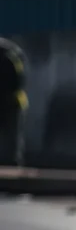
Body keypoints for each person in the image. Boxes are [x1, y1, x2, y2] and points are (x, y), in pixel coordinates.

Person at [0, 37, 27, 167]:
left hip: (12, 100)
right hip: (13, 99)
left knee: (12, 138)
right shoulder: (12, 50)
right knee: (12, 138)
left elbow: (19, 77)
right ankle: (12, 164)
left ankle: (12, 165)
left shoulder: (8, 51)